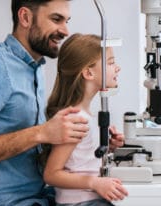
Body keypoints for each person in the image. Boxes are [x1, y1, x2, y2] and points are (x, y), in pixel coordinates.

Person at [0, 1, 123, 205]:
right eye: (56, 19)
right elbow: (44, 141)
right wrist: (42, 133)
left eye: (67, 21)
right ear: (25, 18)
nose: (65, 31)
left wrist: (99, 145)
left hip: (41, 195)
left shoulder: (34, 68)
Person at [43, 33, 128, 206]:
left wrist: (107, 146)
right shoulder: (75, 120)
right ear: (88, 72)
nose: (117, 68)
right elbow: (51, 174)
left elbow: (80, 160)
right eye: (110, 63)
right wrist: (94, 182)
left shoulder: (85, 116)